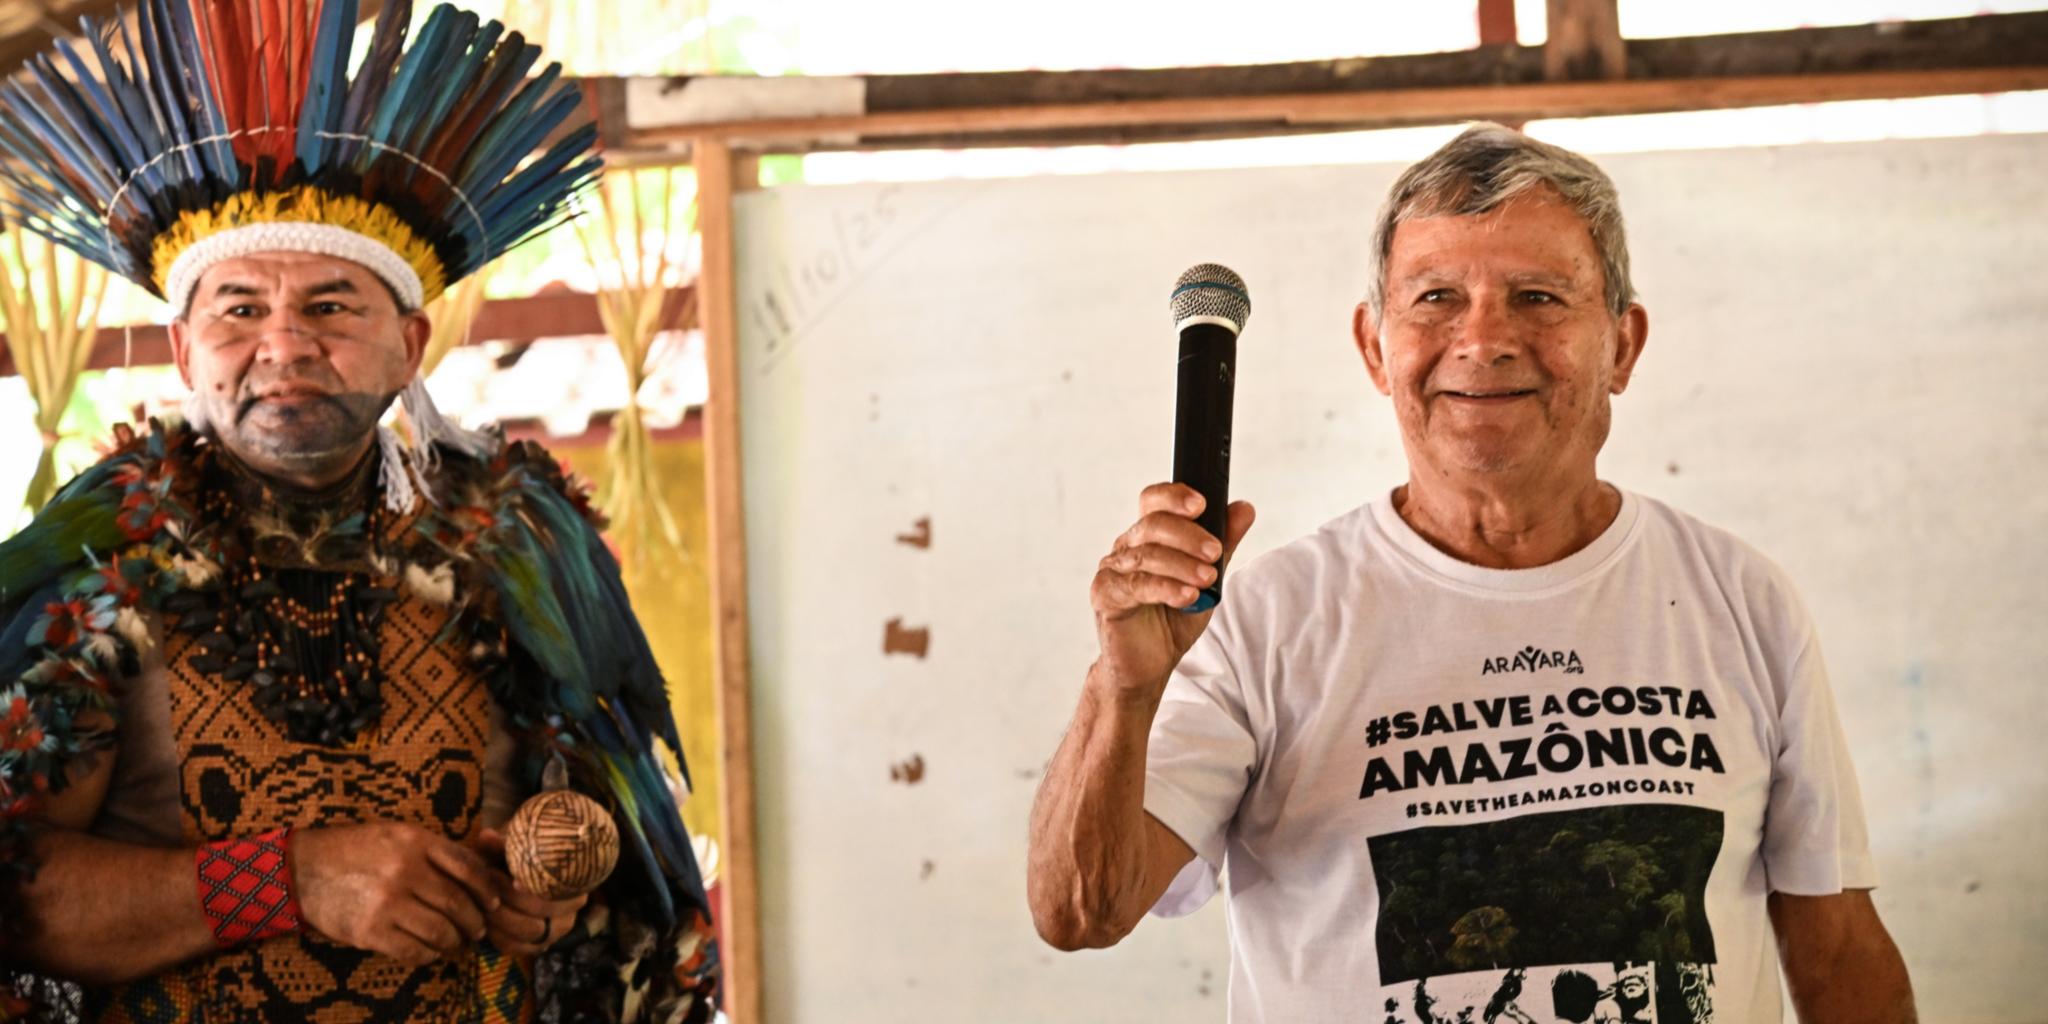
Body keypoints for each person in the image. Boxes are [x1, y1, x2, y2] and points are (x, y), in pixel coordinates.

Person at [1026, 122, 1916, 1023]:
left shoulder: (1741, 600)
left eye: (1538, 297)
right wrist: (1122, 688)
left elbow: (1838, 946)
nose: (1483, 339)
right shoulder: (1264, 619)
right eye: (1437, 298)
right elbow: (1080, 910)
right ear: (1375, 348)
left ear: (1623, 345)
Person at [0, 1, 716, 1019]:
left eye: (331, 305)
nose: (284, 344)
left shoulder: (517, 548)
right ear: (185, 350)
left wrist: (554, 901)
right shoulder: (103, 567)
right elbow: (15, 898)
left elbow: (630, 865)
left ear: (409, 345)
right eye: (240, 308)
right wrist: (288, 880)